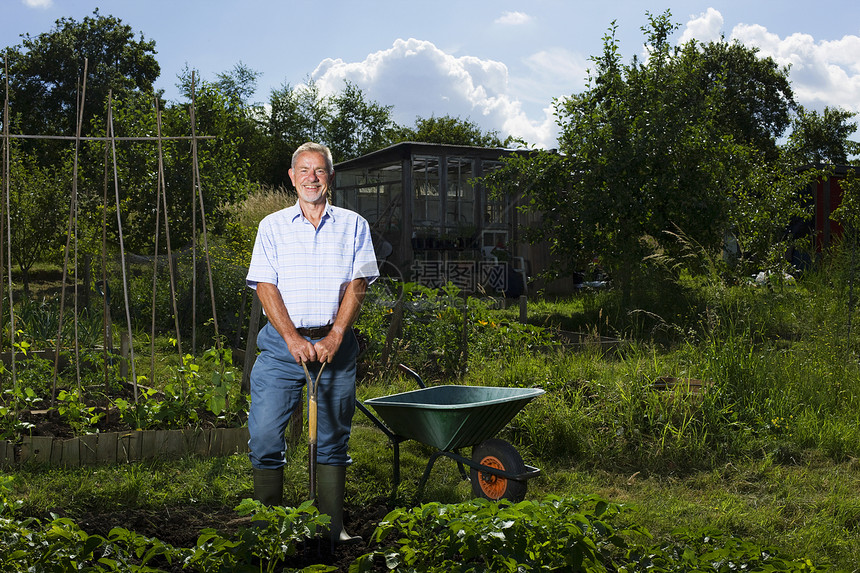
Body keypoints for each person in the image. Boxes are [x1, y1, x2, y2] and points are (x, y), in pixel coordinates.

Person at [245, 142, 378, 544]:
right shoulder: (272, 226)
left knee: (333, 437)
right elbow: (265, 286)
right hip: (281, 350)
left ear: (330, 177)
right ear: (292, 177)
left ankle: (330, 528)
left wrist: (336, 334)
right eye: (303, 170)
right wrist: (290, 337)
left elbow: (358, 284)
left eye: (319, 170)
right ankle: (270, 529)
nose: (311, 178)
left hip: (333, 348)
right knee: (267, 435)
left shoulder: (353, 225)